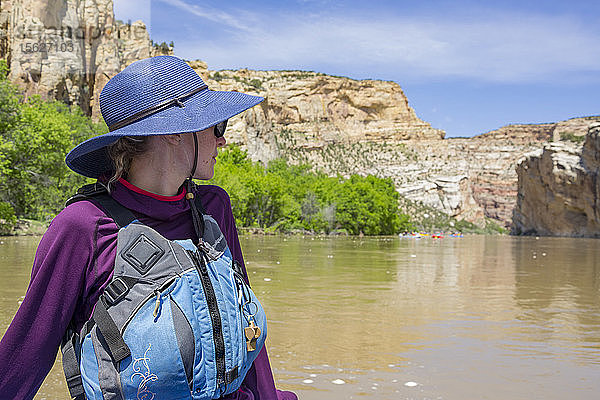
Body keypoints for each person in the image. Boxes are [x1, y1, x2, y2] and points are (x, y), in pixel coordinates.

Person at [0, 55, 297, 400]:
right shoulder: (82, 227)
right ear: (172, 132)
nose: (222, 141)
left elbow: (245, 328)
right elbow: (25, 357)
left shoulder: (215, 208)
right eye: (217, 127)